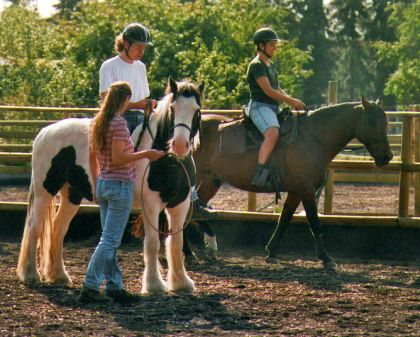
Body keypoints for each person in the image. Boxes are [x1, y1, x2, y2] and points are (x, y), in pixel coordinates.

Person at [99, 22, 214, 220]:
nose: (141, 51)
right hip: (119, 117)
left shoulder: (141, 67)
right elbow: (106, 100)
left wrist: (151, 104)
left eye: (144, 47)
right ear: (125, 44)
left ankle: (190, 194)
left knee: (177, 137)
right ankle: (124, 183)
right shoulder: (109, 66)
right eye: (138, 46)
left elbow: (144, 95)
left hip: (143, 115)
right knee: (129, 144)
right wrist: (138, 105)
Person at [78, 81, 165, 304]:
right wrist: (146, 154)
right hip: (119, 185)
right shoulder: (118, 124)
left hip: (105, 183)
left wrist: (96, 183)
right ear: (125, 100)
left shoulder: (98, 122)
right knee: (110, 240)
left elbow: (91, 156)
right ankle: (90, 285)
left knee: (109, 239)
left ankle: (115, 286)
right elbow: (119, 158)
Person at [247, 27, 306, 188]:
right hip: (260, 107)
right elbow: (268, 91)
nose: (275, 48)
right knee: (272, 133)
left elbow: (277, 89)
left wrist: (292, 101)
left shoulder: (270, 65)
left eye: (275, 45)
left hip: (273, 108)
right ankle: (259, 174)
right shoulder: (256, 65)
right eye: (272, 45)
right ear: (261, 46)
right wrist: (291, 101)